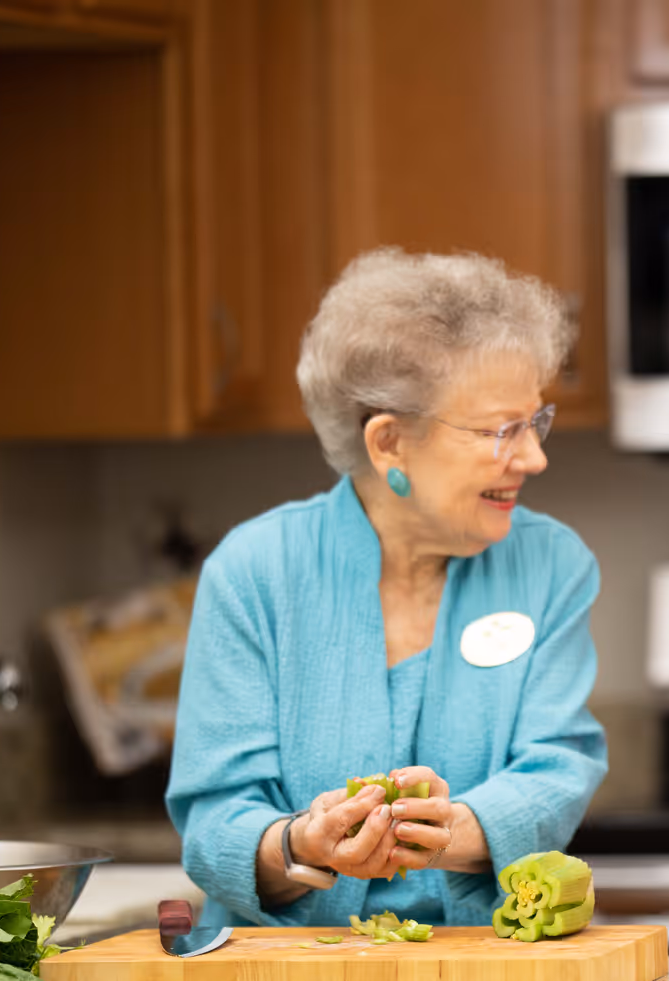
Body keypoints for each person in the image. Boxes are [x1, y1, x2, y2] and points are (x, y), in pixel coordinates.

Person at [169, 248, 607, 930]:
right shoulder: (256, 571)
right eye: (502, 431)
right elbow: (215, 818)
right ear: (389, 443)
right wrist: (297, 846)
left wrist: (454, 831)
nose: (534, 457)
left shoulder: (550, 565)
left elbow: (558, 766)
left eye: (535, 422)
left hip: (484, 980)